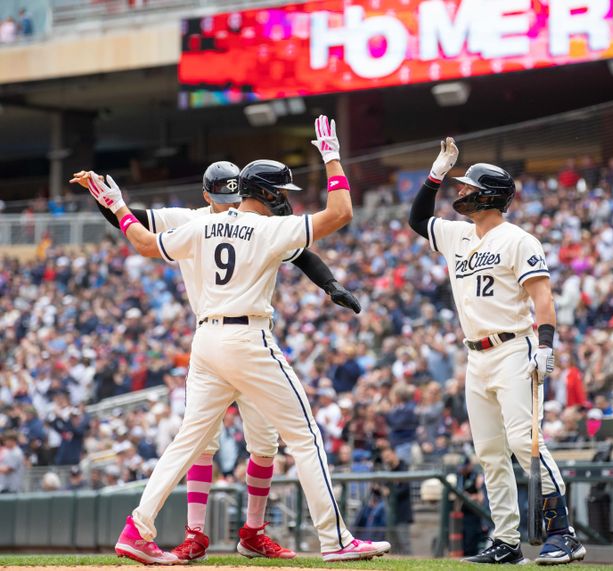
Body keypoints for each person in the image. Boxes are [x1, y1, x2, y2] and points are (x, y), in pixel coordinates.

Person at [80, 115, 390, 565]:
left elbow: (146, 244)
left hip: (206, 341)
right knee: (305, 437)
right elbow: (341, 212)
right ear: (264, 193)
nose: (285, 201)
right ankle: (336, 539)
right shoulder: (269, 229)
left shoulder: (203, 223)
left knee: (187, 441)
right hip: (247, 338)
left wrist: (117, 206)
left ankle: (137, 529)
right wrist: (332, 157)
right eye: (280, 193)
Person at [407, 138, 586, 565]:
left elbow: (543, 298)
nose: (460, 192)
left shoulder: (518, 239)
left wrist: (546, 346)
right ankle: (506, 542)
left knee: (526, 442)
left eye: (467, 187)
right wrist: (434, 174)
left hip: (512, 348)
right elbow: (417, 219)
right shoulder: (456, 235)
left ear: (488, 196)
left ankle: (563, 533)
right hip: (476, 355)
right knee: (489, 452)